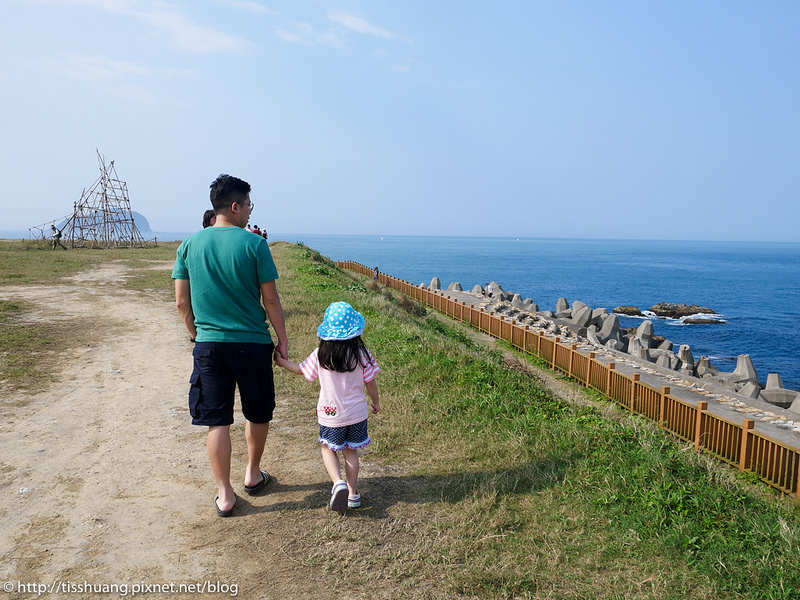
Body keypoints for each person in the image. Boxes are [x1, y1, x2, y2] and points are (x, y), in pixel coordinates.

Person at [172, 174, 288, 518]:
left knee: (217, 421)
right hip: (251, 345)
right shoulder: (254, 245)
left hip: (209, 346)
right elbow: (271, 299)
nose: (250, 211)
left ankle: (225, 494)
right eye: (249, 205)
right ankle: (253, 474)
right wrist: (282, 340)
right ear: (235, 207)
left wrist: (197, 334)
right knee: (257, 410)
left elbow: (181, 302)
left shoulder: (189, 245)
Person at [274, 301, 380, 511]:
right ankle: (351, 494)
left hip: (331, 415)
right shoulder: (362, 354)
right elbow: (371, 382)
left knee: (328, 447)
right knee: (351, 452)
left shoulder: (321, 353)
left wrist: (281, 362)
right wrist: (375, 402)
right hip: (357, 414)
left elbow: (301, 370)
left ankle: (337, 482)